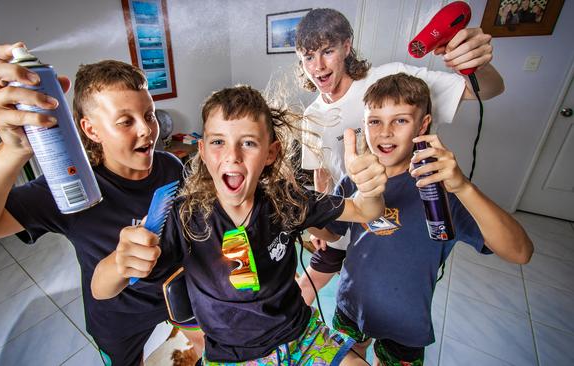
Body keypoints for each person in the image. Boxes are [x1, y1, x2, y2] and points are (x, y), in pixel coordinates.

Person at [0, 43, 203, 366]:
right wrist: (14, 149)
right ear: (90, 129)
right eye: (125, 121)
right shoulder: (72, 188)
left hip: (177, 302)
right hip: (120, 323)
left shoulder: (170, 166)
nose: (147, 129)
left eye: (147, 115)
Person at [91, 85, 388, 365]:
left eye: (248, 143)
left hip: (301, 336)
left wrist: (371, 189)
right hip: (233, 357)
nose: (232, 156)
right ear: (203, 151)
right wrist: (119, 262)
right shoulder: (186, 217)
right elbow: (100, 290)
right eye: (218, 142)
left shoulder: (287, 201)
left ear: (270, 153)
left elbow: (364, 210)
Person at [307, 73, 533, 365]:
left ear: (423, 124)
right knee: (348, 358)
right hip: (351, 305)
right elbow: (333, 233)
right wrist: (305, 216)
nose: (385, 132)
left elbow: (520, 252)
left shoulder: (441, 190)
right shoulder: (357, 178)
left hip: (405, 324)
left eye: (400, 120)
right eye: (375, 121)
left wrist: (463, 186)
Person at [294, 7, 504, 307]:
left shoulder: (391, 79)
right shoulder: (312, 115)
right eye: (308, 57)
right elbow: (322, 174)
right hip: (348, 213)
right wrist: (321, 219)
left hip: (401, 213)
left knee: (387, 300)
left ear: (347, 46)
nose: (318, 66)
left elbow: (488, 90)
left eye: (327, 51)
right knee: (319, 288)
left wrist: (475, 64)